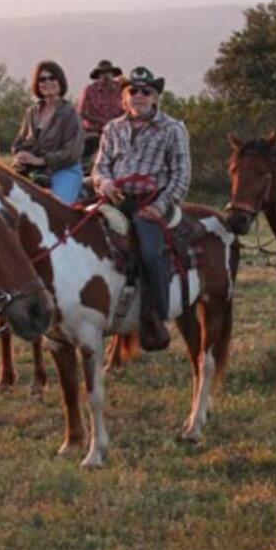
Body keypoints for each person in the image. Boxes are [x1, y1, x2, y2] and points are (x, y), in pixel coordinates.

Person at [92, 66, 190, 351]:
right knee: (84, 237)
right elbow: (100, 167)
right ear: (124, 98)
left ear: (156, 97)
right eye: (132, 91)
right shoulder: (112, 128)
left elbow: (181, 175)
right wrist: (104, 183)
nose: (138, 96)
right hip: (117, 199)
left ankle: (156, 316)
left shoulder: (173, 129)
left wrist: (160, 207)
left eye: (146, 91)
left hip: (153, 200)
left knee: (149, 251)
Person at [12, 60, 84, 204]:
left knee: (56, 207)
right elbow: (19, 142)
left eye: (52, 78)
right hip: (33, 171)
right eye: (42, 79)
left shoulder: (70, 113)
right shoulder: (31, 112)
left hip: (64, 170)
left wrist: (41, 160)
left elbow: (72, 152)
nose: (47, 82)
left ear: (60, 81)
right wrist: (20, 155)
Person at [76, 59, 125, 168]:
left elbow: (127, 110)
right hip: (93, 131)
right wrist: (102, 122)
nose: (105, 76)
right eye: (102, 73)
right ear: (98, 76)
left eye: (108, 73)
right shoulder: (89, 90)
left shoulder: (121, 90)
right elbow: (81, 112)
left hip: (118, 130)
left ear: (113, 74)